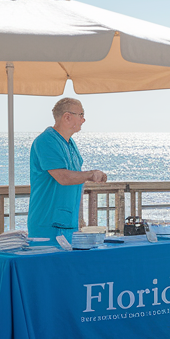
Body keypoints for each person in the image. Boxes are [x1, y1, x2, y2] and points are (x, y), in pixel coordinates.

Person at [27, 97, 107, 245]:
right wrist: (90, 174)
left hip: (69, 226)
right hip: (47, 227)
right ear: (67, 117)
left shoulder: (70, 144)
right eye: (81, 115)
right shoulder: (46, 141)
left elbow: (75, 178)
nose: (84, 120)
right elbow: (63, 177)